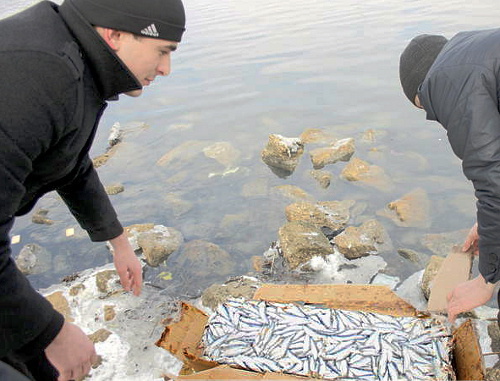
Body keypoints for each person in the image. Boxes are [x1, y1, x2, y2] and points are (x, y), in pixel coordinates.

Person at [0, 0, 185, 380]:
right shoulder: (36, 74)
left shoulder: (73, 62)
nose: (166, 69)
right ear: (114, 34)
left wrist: (118, 241)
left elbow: (67, 161)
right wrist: (48, 330)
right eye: (162, 51)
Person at [399, 31, 500, 324]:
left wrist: (486, 280)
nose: (433, 114)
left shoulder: (447, 82)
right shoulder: (472, 53)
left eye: (423, 106)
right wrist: (487, 222)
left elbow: (492, 180)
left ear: (420, 89)